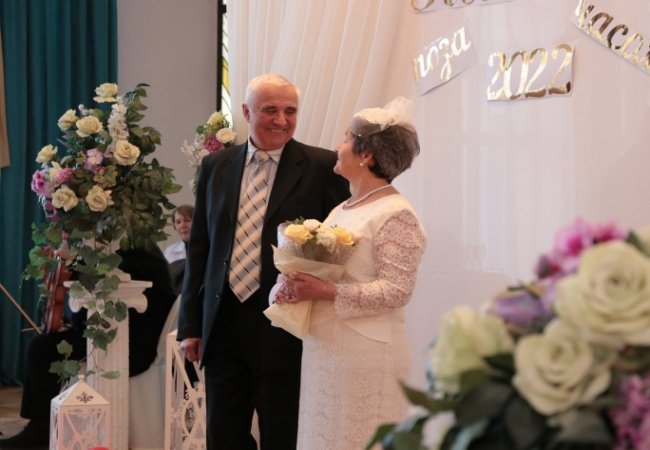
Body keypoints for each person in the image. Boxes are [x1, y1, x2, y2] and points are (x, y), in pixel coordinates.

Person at [177, 73, 349, 450]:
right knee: (223, 436)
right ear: (246, 112)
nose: (281, 120)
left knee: (281, 434)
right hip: (223, 323)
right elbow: (201, 250)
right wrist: (190, 323)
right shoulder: (216, 166)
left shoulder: (322, 166)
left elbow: (339, 245)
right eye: (270, 110)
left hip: (286, 324)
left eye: (290, 111)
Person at [272, 97, 427, 450]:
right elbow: (327, 271)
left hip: (366, 356)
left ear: (366, 155)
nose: (337, 147)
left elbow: (397, 290)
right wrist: (292, 283)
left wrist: (325, 292)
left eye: (345, 138)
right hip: (326, 350)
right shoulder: (342, 208)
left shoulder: (396, 213)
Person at [0, 246, 177, 450]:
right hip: (118, 334)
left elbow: (105, 286)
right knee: (45, 345)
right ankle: (42, 427)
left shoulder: (133, 253)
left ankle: (40, 431)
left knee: (41, 349)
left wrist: (72, 263)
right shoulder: (136, 248)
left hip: (129, 345)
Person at [163, 204, 194, 294]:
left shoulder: (210, 249)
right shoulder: (169, 252)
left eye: (187, 220)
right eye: (178, 222)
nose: (182, 226)